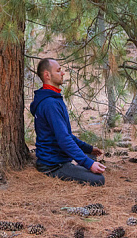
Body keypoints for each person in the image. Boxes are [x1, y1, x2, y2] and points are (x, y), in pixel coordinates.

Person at [29, 58, 106, 186]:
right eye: (58, 71)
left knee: (91, 157)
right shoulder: (50, 103)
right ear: (47, 75)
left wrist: (89, 149)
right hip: (52, 165)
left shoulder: (53, 98)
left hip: (59, 157)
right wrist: (88, 164)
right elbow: (63, 139)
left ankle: (78, 163)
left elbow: (66, 134)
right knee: (98, 179)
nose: (63, 73)